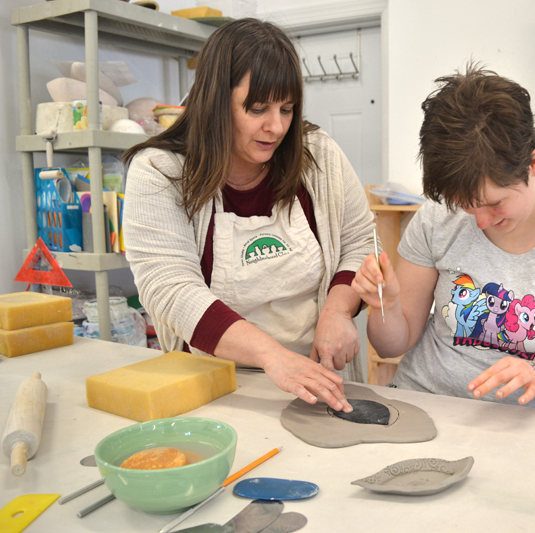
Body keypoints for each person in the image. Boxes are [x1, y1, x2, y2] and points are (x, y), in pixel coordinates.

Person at [353, 66, 535, 411]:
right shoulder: (436, 217)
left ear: (533, 162)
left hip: (527, 428)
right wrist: (386, 306)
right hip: (425, 403)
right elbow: (392, 345)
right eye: (465, 206)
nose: (480, 221)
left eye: (495, 204)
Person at [123, 19, 377, 412]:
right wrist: (273, 356)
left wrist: (337, 310)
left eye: (287, 108)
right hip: (214, 388)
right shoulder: (160, 172)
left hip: (319, 380)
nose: (275, 127)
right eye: (257, 108)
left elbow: (359, 241)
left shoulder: (318, 156)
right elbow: (170, 288)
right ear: (215, 101)